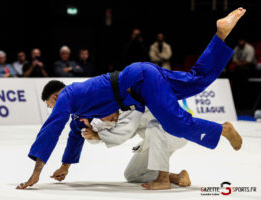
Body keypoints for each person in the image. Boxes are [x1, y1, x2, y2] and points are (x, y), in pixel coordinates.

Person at [16, 8, 245, 190]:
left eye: (51, 105)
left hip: (139, 81)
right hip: (141, 79)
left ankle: (222, 130)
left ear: (56, 96)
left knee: (174, 122)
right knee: (195, 80)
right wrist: (65, 167)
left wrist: (36, 172)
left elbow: (51, 130)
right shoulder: (78, 112)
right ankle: (221, 34)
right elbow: (74, 136)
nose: (54, 110)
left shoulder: (67, 95)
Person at [49, 108, 189, 190]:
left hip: (175, 133)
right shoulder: (108, 115)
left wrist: (97, 135)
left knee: (155, 126)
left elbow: (125, 132)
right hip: (154, 140)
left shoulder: (128, 106)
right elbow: (97, 133)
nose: (109, 121)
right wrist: (90, 132)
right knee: (133, 175)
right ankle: (176, 177)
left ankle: (163, 180)